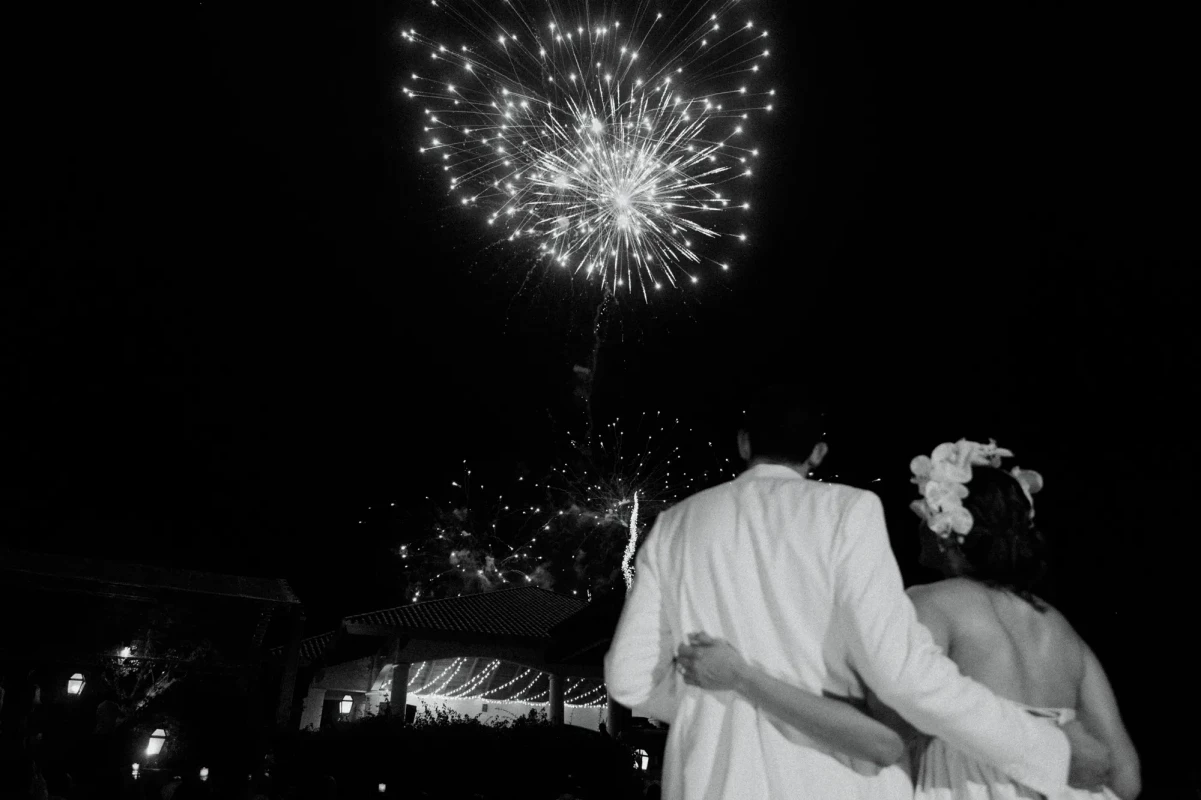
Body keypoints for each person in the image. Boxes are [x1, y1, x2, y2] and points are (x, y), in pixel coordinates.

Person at [604, 388, 1110, 800]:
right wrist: (1046, 749)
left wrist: (710, 706)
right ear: (818, 453)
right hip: (838, 779)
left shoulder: (676, 524)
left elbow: (628, 680)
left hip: (709, 781)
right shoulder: (848, 510)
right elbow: (905, 675)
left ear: (742, 443)